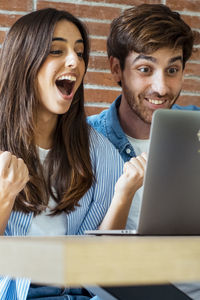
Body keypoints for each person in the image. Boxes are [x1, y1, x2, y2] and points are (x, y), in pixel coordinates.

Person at [0, 7, 147, 300]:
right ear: (23, 60)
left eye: (80, 54)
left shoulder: (98, 151)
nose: (74, 62)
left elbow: (99, 266)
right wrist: (4, 197)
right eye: (56, 50)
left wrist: (124, 194)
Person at [87, 3, 200, 300]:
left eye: (172, 70)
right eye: (145, 69)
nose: (161, 87)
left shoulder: (197, 129)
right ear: (116, 69)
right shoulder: (86, 140)